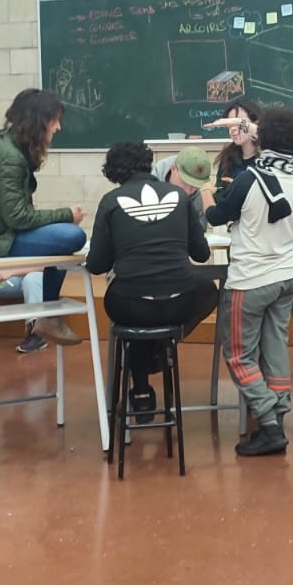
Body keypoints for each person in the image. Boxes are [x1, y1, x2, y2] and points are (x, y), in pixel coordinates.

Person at [206, 106, 293, 456]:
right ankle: (278, 418)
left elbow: (216, 216)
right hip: (287, 277)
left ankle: (268, 422)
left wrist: (206, 191)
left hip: (251, 281)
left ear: (262, 138)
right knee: (275, 349)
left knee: (238, 355)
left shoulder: (249, 179)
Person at [85, 142, 216, 422]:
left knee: (137, 304)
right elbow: (202, 255)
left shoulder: (110, 201)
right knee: (199, 291)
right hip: (179, 304)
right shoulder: (179, 198)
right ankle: (161, 348)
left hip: (129, 305)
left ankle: (142, 389)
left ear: (113, 172)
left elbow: (96, 265)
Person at [0, 89, 86, 348]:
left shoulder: (7, 141)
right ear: (38, 121)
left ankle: (47, 317)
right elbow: (17, 217)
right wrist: (66, 214)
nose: (58, 127)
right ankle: (48, 316)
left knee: (61, 238)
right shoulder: (10, 158)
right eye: (54, 121)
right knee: (73, 236)